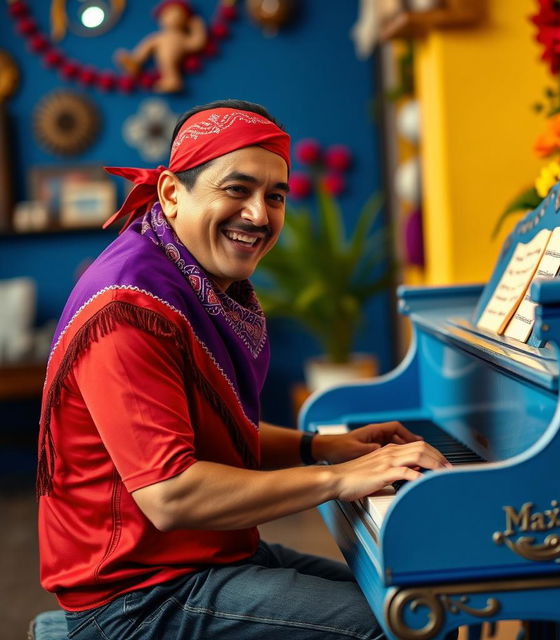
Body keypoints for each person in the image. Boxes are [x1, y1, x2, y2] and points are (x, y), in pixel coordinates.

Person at [37, 99, 450, 640]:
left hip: (201, 559)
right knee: (396, 626)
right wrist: (339, 479)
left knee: (415, 599)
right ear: (170, 194)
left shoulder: (185, 276)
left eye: (274, 196)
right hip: (138, 598)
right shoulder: (128, 309)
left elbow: (208, 435)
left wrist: (320, 448)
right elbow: (171, 492)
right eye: (236, 190)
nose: (259, 214)